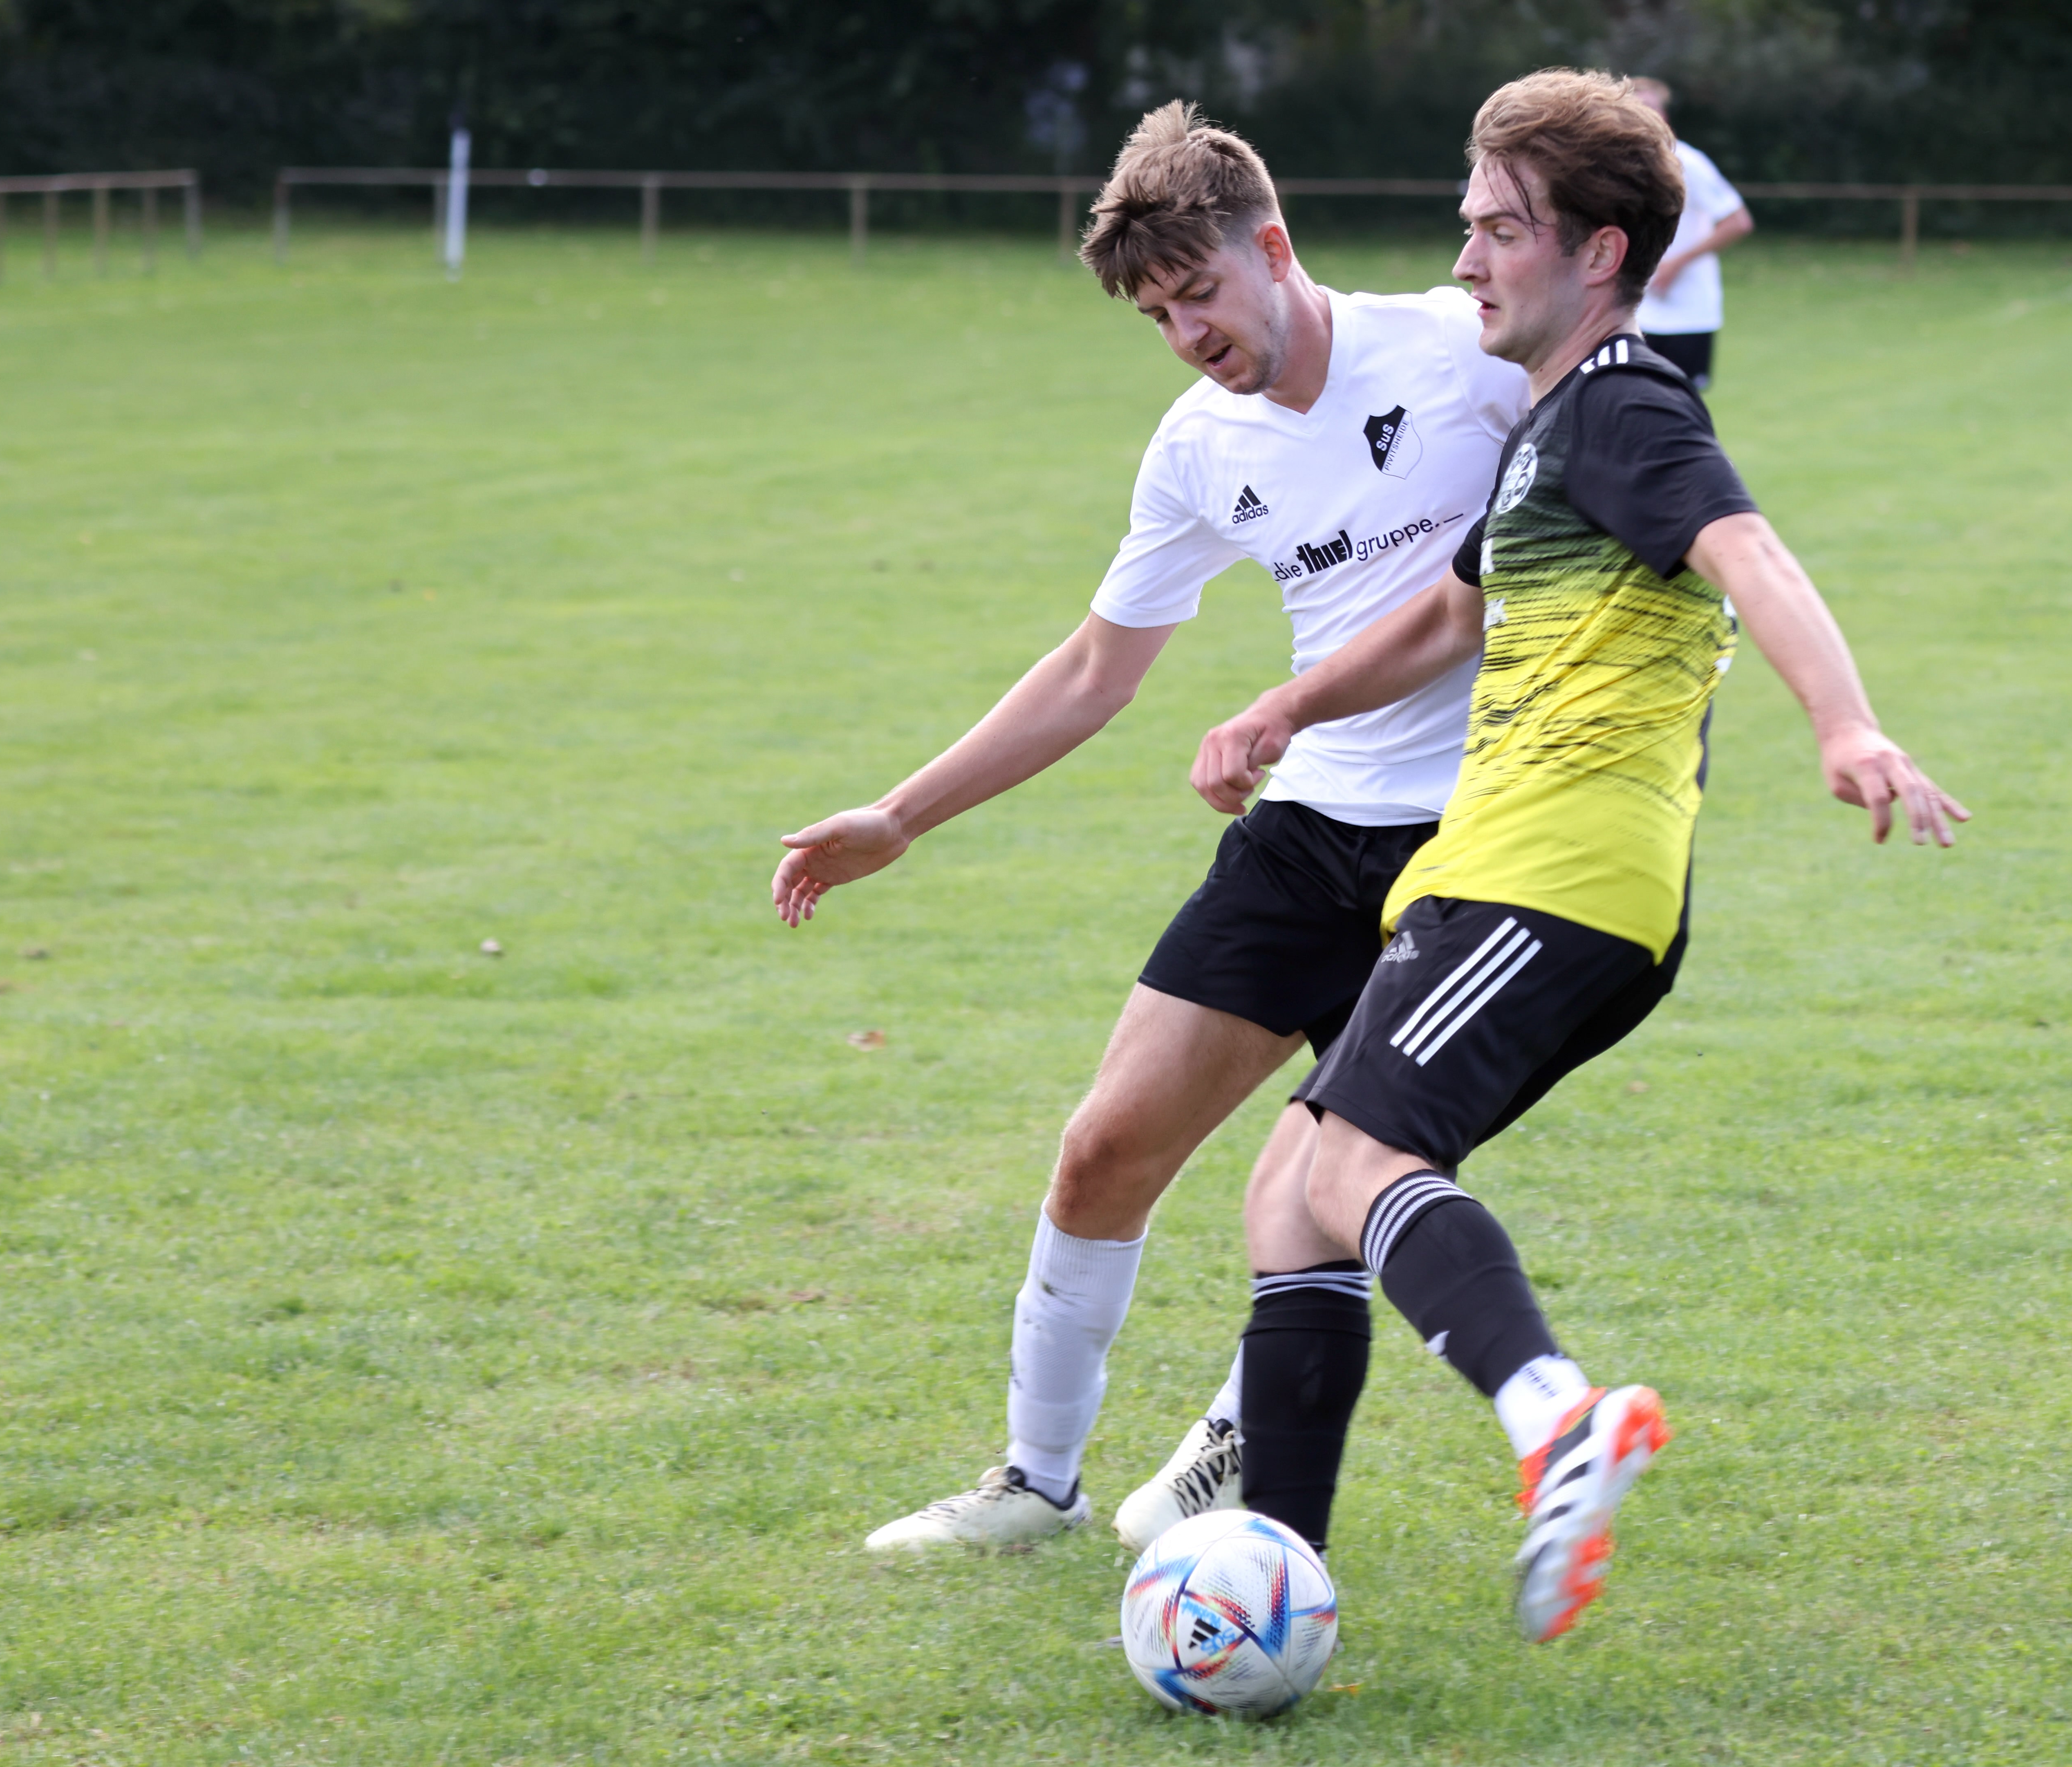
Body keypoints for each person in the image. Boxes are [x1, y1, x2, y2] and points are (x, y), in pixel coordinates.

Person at [1190, 68, 1968, 1642]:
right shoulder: (1550, 425)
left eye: (1498, 229)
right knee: (1292, 1194)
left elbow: (1746, 548)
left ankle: (1557, 1418)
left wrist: (1846, 723)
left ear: (1598, 253)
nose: (1465, 259)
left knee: (1352, 1163)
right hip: (1504, 871)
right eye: (1467, 224)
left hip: (1556, 873)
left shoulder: (1624, 403)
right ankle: (1275, 1573)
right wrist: (1286, 704)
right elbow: (1450, 617)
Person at [769, 100, 1528, 1556]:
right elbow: (1094, 672)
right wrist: (902, 815)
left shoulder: (1459, 352)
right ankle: (1032, 1483)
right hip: (1310, 826)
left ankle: (1239, 1433)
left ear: (1273, 248)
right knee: (1103, 1149)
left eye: (1199, 293)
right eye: (1155, 315)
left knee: (1338, 1178)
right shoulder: (1197, 446)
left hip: (1478, 843)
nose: (1186, 334)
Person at [1628, 78, 1750, 389]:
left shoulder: (1688, 164)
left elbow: (1738, 222)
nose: (1643, 115)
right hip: (1634, 314)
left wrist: (1675, 264)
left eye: (1650, 107)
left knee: (1677, 406)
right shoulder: (1619, 168)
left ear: (1664, 116)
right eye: (1634, 108)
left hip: (1686, 315)